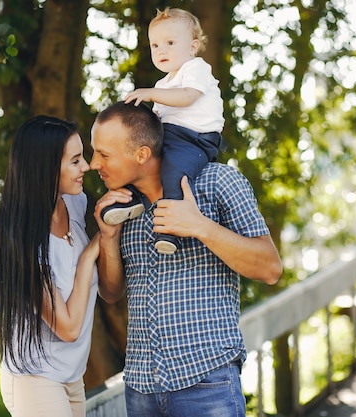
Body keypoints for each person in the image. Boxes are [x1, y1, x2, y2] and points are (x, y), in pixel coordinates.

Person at [90, 101, 283, 417]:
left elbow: (270, 267)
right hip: (140, 389)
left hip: (207, 383)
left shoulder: (217, 183)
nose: (94, 163)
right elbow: (110, 292)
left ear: (141, 154)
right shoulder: (122, 208)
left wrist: (199, 226)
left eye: (104, 154)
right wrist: (109, 238)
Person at [0, 115, 100, 417]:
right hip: (35, 376)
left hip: (71, 374)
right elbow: (69, 327)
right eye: (75, 161)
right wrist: (90, 255)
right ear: (47, 168)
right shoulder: (24, 240)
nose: (86, 167)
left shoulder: (75, 204)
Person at [101, 7, 225, 255]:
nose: (161, 50)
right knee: (139, 159)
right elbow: (158, 117)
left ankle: (170, 228)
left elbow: (187, 97)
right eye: (155, 45)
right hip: (170, 134)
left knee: (173, 173)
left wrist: (149, 94)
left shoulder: (196, 68)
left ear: (192, 46)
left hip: (195, 138)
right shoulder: (163, 83)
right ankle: (133, 200)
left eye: (170, 42)